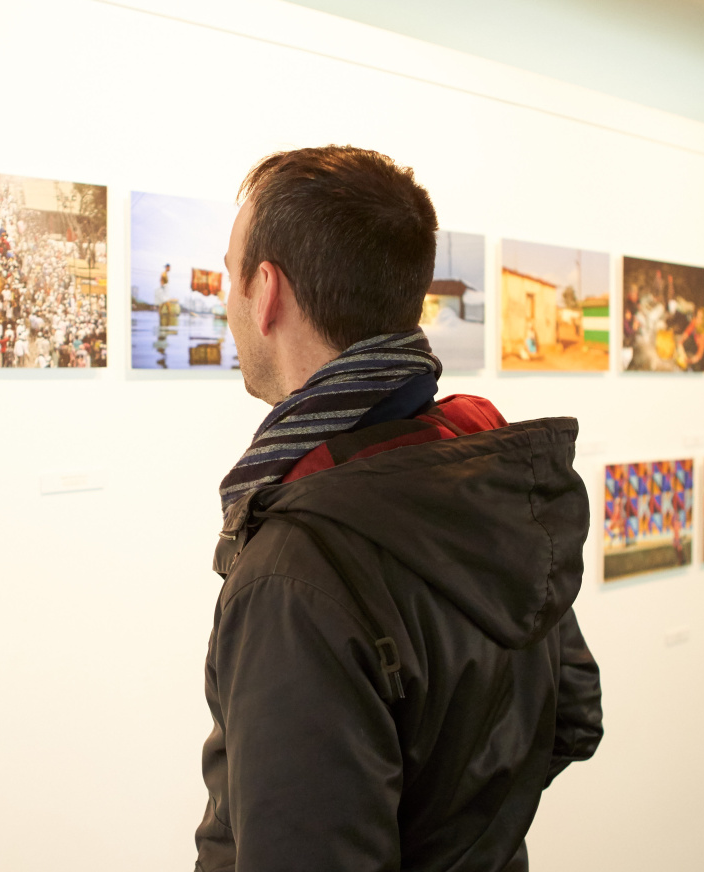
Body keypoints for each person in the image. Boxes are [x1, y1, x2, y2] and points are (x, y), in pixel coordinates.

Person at [197, 146, 602, 872]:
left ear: (266, 292)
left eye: (229, 275)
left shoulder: (294, 575)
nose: (225, 302)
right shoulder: (490, 475)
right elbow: (570, 718)